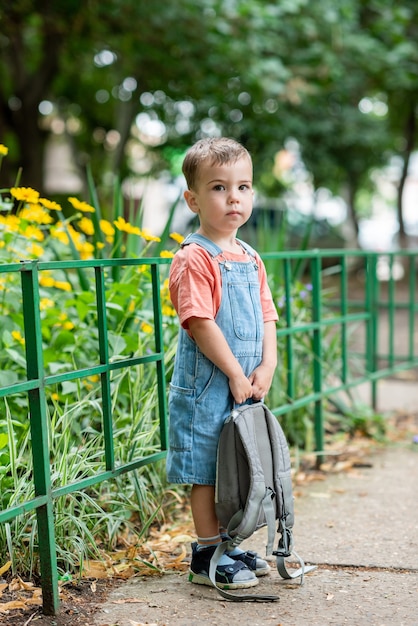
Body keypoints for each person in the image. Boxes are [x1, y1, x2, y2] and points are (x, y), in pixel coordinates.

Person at [166, 137, 278, 590]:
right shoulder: (195, 258)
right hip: (209, 386)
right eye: (218, 187)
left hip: (246, 385)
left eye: (244, 187)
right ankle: (207, 553)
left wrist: (267, 364)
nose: (234, 197)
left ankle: (228, 545)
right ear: (192, 199)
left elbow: (268, 314)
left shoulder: (250, 257)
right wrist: (233, 371)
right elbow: (199, 321)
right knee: (207, 469)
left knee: (238, 464)